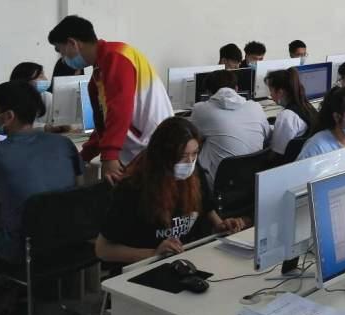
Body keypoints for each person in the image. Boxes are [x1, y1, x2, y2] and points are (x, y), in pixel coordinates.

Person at [0, 82, 82, 315]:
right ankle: (17, 300)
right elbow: (78, 188)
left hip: (22, 253)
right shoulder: (63, 144)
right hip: (70, 247)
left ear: (8, 116)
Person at [95, 117, 245, 265]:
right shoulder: (133, 188)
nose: (190, 162)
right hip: (147, 266)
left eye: (195, 153)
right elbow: (103, 250)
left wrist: (221, 226)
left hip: (187, 259)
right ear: (162, 156)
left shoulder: (194, 174)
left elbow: (207, 209)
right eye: (182, 156)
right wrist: (153, 254)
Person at [47, 15, 174, 184]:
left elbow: (119, 110)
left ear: (73, 43)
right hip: (140, 150)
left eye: (61, 51)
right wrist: (85, 155)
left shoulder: (116, 57)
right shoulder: (99, 73)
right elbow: (104, 124)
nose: (63, 58)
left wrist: (109, 155)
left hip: (153, 149)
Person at [189, 70, 271, 189]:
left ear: (208, 92)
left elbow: (193, 137)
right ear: (236, 89)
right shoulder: (255, 106)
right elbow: (267, 137)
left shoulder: (201, 109)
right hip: (253, 181)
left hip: (219, 184)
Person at [265, 68, 318, 159]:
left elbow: (275, 152)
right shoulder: (307, 106)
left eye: (271, 91)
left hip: (286, 164)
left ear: (280, 92)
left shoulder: (286, 116)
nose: (270, 95)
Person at [9, 62, 53, 129]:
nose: (46, 79)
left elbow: (54, 123)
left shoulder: (47, 97)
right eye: (40, 76)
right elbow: (16, 126)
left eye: (44, 75)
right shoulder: (10, 100)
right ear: (25, 80)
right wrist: (44, 127)